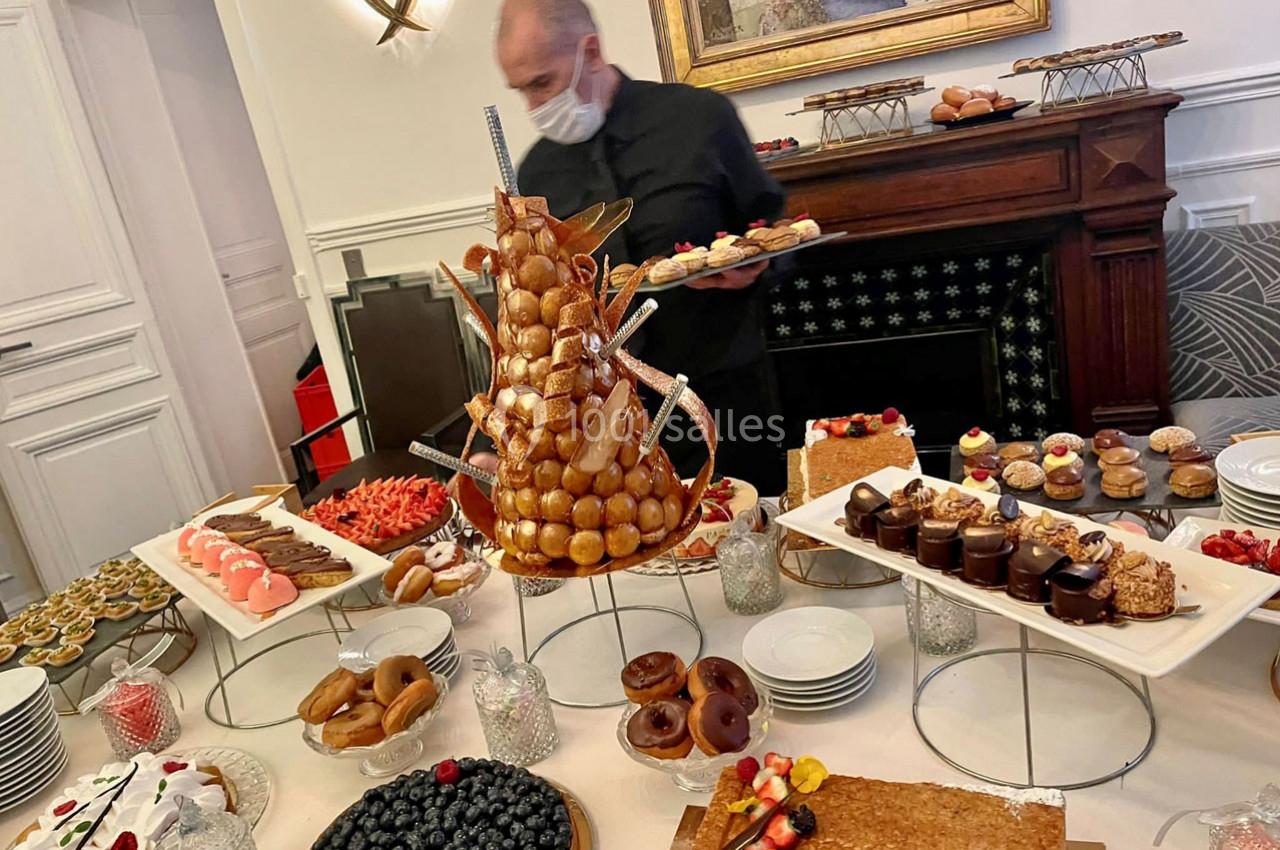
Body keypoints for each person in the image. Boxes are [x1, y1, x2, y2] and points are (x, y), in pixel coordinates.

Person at [495, 0, 787, 494]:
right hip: (607, 418)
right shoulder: (535, 173)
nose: (533, 107)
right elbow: (533, 298)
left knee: (748, 538)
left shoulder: (701, 119)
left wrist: (758, 267)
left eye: (542, 83)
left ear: (591, 51)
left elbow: (770, 230)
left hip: (727, 399)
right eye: (521, 90)